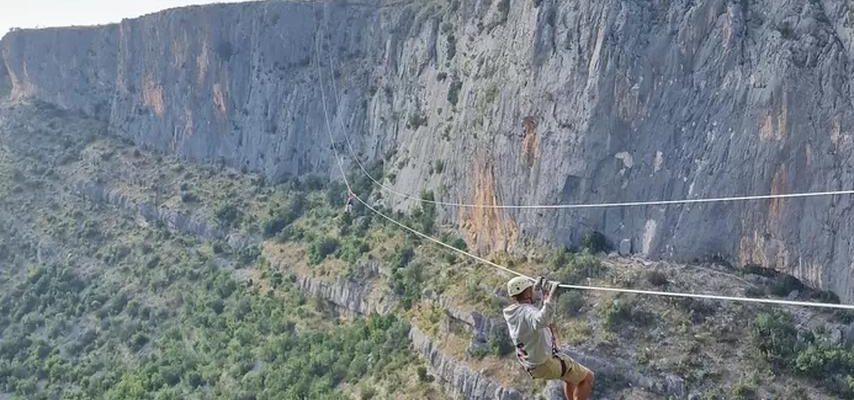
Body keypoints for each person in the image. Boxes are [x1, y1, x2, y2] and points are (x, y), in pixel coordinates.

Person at [503, 276, 595, 400]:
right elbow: (541, 319)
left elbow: (530, 309)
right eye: (530, 289)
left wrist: (538, 289)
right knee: (587, 377)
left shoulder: (513, 313)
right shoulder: (527, 312)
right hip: (545, 363)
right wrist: (551, 296)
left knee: (571, 377)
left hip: (532, 364)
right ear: (527, 292)